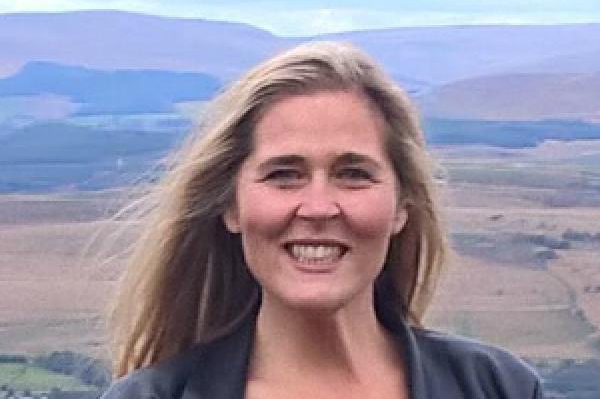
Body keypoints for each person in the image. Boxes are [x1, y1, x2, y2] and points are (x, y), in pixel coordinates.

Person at [101, 41, 544, 399]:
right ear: (232, 206)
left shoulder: (497, 387)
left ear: (402, 207)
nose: (318, 208)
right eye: (283, 175)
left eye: (353, 174)